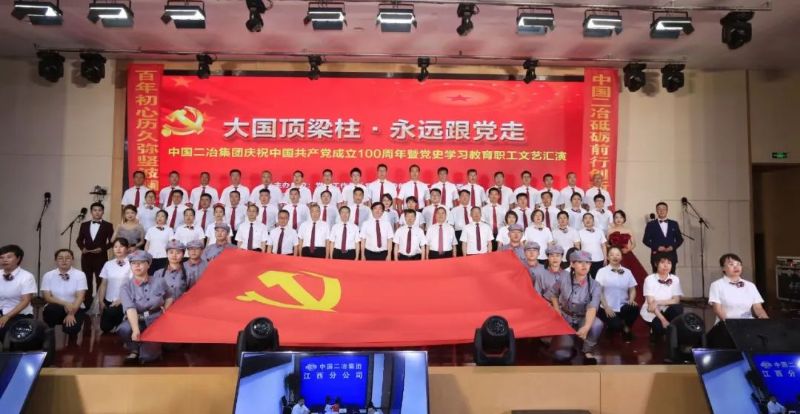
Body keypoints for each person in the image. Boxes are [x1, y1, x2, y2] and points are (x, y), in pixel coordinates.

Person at [546, 250, 604, 365]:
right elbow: (553, 294)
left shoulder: (595, 285)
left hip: (583, 317)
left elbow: (592, 307)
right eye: (580, 262)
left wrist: (586, 327)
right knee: (561, 356)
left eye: (587, 262)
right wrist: (557, 310)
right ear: (572, 264)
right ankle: (569, 345)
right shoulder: (563, 279)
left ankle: (587, 349)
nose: (584, 265)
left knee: (597, 324)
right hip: (566, 317)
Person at [118, 250, 173, 363]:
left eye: (141, 262)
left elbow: (169, 296)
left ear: (148, 264)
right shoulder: (126, 286)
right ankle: (134, 349)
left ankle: (154, 346)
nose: (137, 265)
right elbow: (130, 309)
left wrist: (166, 311)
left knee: (147, 358)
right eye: (133, 263)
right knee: (124, 329)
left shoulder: (159, 281)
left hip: (155, 320)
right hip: (136, 319)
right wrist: (135, 330)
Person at [709, 253, 768, 323]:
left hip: (748, 324)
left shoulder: (750, 285)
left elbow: (758, 308)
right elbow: (717, 309)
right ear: (723, 268)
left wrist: (767, 322)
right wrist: (729, 324)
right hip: (726, 324)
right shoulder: (716, 285)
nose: (736, 267)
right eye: (731, 264)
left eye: (738, 264)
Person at [596, 246, 639, 342]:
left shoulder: (627, 272)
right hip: (607, 308)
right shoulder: (602, 272)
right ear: (607, 257)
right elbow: (599, 291)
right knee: (616, 326)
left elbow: (632, 289)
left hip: (623, 306)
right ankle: (615, 327)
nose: (615, 257)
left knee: (635, 308)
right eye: (612, 255)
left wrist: (631, 300)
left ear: (621, 257)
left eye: (617, 255)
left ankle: (626, 327)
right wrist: (606, 307)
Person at [41, 248, 88, 337]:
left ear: (72, 260)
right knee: (50, 310)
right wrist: (66, 303)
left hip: (75, 307)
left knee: (72, 329)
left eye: (68, 258)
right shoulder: (48, 275)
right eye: (60, 258)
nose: (64, 261)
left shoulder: (80, 275)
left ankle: (69, 326)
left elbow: (80, 297)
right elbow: (47, 297)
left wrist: (71, 313)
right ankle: (50, 333)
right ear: (55, 260)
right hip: (56, 307)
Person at [76, 202, 114, 308]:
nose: (97, 212)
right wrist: (82, 248)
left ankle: (98, 304)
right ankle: (87, 304)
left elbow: (112, 242)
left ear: (103, 212)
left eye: (99, 210)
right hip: (86, 257)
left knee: (100, 280)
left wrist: (102, 249)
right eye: (95, 210)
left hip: (101, 257)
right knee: (87, 280)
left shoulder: (108, 225)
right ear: (91, 212)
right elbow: (79, 240)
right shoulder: (84, 225)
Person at [640, 254, 684, 343]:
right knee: (659, 329)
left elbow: (676, 300)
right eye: (662, 262)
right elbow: (651, 304)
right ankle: (654, 330)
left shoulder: (675, 279)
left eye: (669, 263)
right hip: (653, 312)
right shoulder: (649, 279)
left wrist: (658, 302)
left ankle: (673, 332)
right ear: (656, 264)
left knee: (678, 307)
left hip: (667, 309)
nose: (666, 265)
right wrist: (663, 320)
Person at [607, 210, 648, 303]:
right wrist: (612, 250)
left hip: (627, 256)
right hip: (614, 257)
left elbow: (634, 244)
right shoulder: (610, 230)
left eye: (621, 217)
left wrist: (628, 249)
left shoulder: (628, 230)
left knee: (633, 277)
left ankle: (633, 300)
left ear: (624, 219)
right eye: (616, 217)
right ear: (613, 219)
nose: (618, 219)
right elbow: (607, 244)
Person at [0, 245, 36, 343]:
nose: (4, 260)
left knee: (4, 329)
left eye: (9, 257)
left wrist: (7, 316)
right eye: (1, 257)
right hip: (1, 312)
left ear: (18, 258)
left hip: (19, 314)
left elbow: (25, 301)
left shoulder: (27, 276)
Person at [97, 238, 132, 333]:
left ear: (127, 248)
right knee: (104, 327)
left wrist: (121, 299)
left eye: (121, 246)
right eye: (115, 247)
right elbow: (103, 284)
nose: (118, 249)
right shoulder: (108, 264)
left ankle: (124, 320)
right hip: (109, 300)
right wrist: (101, 301)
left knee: (115, 315)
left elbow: (133, 285)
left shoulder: (132, 263)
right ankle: (118, 321)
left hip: (124, 300)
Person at [642, 202, 684, 273]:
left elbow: (680, 239)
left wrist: (672, 247)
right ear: (656, 211)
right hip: (657, 255)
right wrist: (657, 247)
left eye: (664, 209)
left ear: (667, 210)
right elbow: (645, 240)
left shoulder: (674, 224)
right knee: (657, 278)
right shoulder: (650, 224)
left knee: (671, 277)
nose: (661, 211)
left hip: (671, 255)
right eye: (659, 209)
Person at [144, 210, 174, 275]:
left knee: (163, 276)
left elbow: (171, 244)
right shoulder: (150, 229)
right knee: (151, 276)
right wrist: (146, 255)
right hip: (151, 257)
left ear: (166, 219)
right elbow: (147, 244)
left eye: (162, 216)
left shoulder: (169, 230)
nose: (160, 218)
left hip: (164, 257)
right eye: (158, 216)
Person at [578, 213, 607, 278]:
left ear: (593, 221)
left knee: (598, 279)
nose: (588, 220)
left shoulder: (599, 231)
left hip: (599, 259)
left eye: (590, 218)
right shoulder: (579, 232)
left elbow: (603, 246)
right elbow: (578, 247)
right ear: (583, 221)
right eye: (585, 218)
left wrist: (605, 259)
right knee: (586, 279)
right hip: (585, 260)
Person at [449, 189, 473, 256]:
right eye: (462, 196)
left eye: (467, 196)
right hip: (459, 233)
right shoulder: (454, 210)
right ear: (459, 198)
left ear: (469, 197)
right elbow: (451, 225)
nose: (465, 197)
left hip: (472, 232)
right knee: (460, 254)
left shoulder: (474, 209)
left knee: (472, 252)